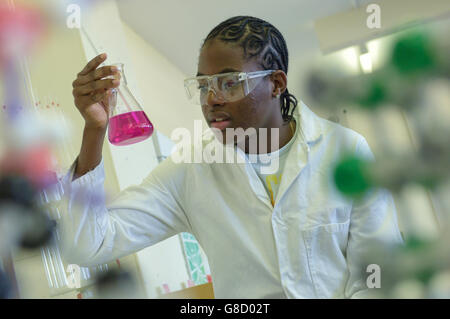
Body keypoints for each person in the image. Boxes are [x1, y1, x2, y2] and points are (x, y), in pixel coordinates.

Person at [62, 16, 403, 298]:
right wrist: (94, 131)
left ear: (276, 83)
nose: (211, 99)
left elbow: (378, 272)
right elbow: (88, 246)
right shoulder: (191, 169)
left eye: (229, 83)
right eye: (203, 85)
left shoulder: (345, 150)